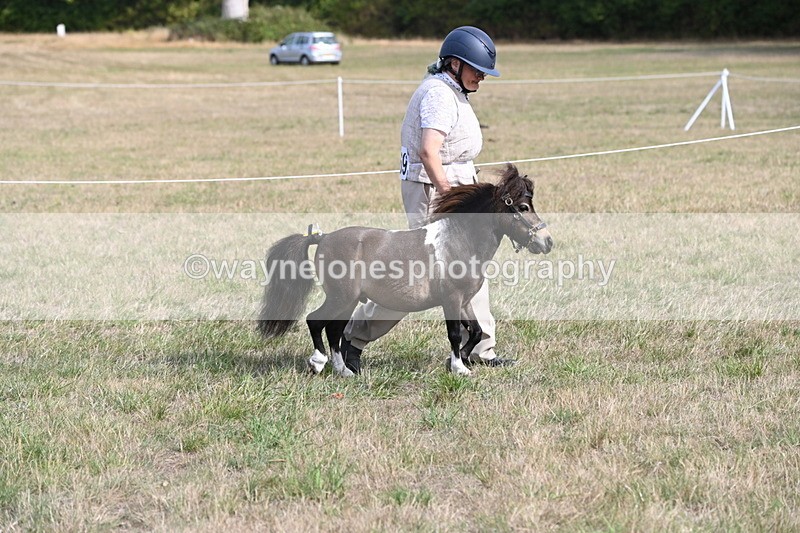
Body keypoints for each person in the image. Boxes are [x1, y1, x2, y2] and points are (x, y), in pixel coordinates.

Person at [340, 26, 515, 375]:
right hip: (436, 192)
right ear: (453, 64)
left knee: (472, 268)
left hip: (457, 187)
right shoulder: (437, 94)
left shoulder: (454, 91)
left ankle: (480, 347)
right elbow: (428, 152)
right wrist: (451, 197)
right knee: (414, 275)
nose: (482, 76)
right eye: (476, 69)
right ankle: (353, 338)